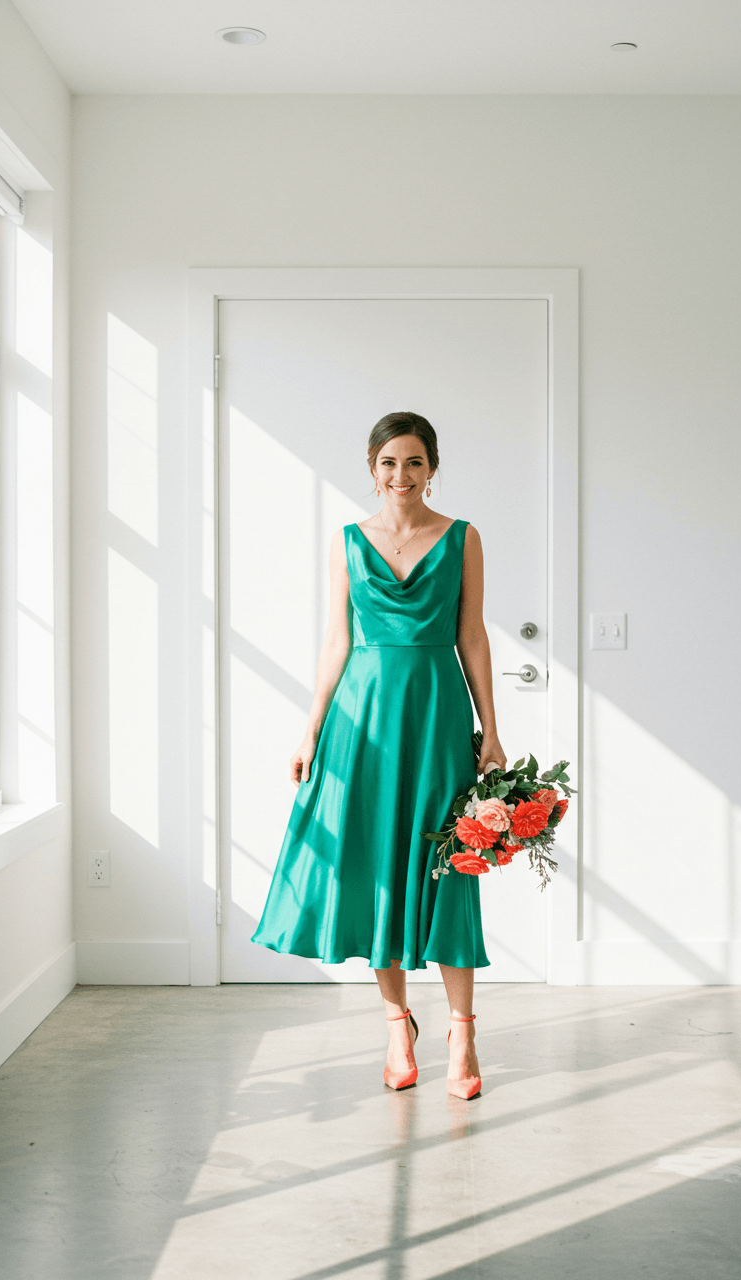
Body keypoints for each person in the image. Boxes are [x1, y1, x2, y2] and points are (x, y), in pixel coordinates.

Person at [252, 411, 507, 1099]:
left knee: (447, 868)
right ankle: (398, 1025)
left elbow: (473, 638)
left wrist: (491, 728)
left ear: (432, 469)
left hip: (434, 714)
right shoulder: (347, 541)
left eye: (415, 462)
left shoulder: (462, 538)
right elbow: (336, 641)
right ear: (373, 469)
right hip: (361, 719)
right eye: (390, 462)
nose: (402, 475)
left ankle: (462, 1033)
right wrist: (310, 729)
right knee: (375, 869)